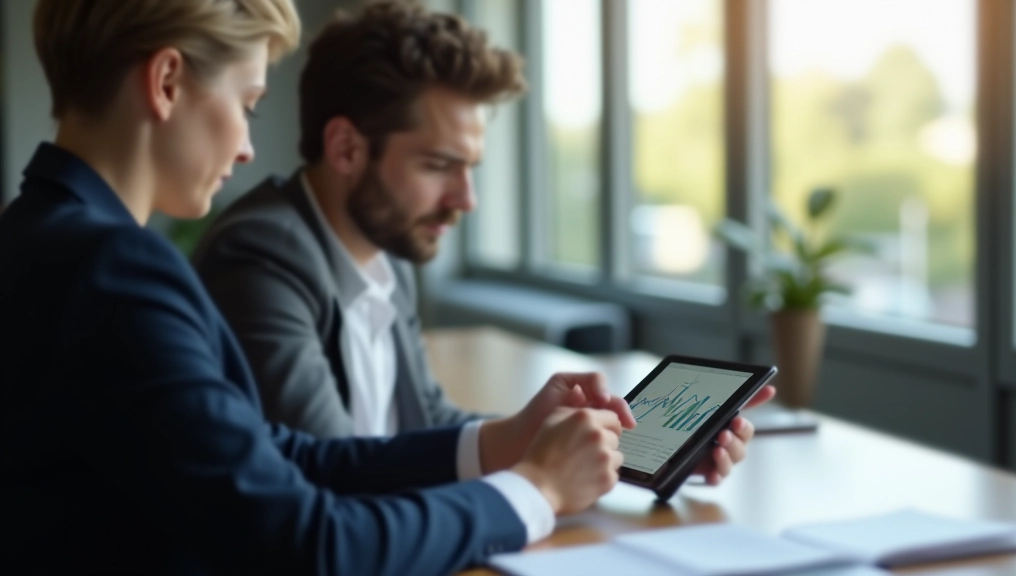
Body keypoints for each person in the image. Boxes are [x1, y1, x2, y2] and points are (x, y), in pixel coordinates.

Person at [0, 1, 640, 574]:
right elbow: (308, 542)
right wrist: (538, 490)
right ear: (167, 83)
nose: (250, 147)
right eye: (247, 104)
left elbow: (283, 457)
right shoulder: (116, 268)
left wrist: (513, 443)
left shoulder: (41, 234)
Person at [191, 1, 773, 489]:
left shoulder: (383, 251)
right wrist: (537, 480)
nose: (465, 199)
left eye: (469, 168)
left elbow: (419, 424)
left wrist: (569, 439)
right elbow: (332, 473)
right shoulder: (264, 256)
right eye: (439, 166)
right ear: (345, 148)